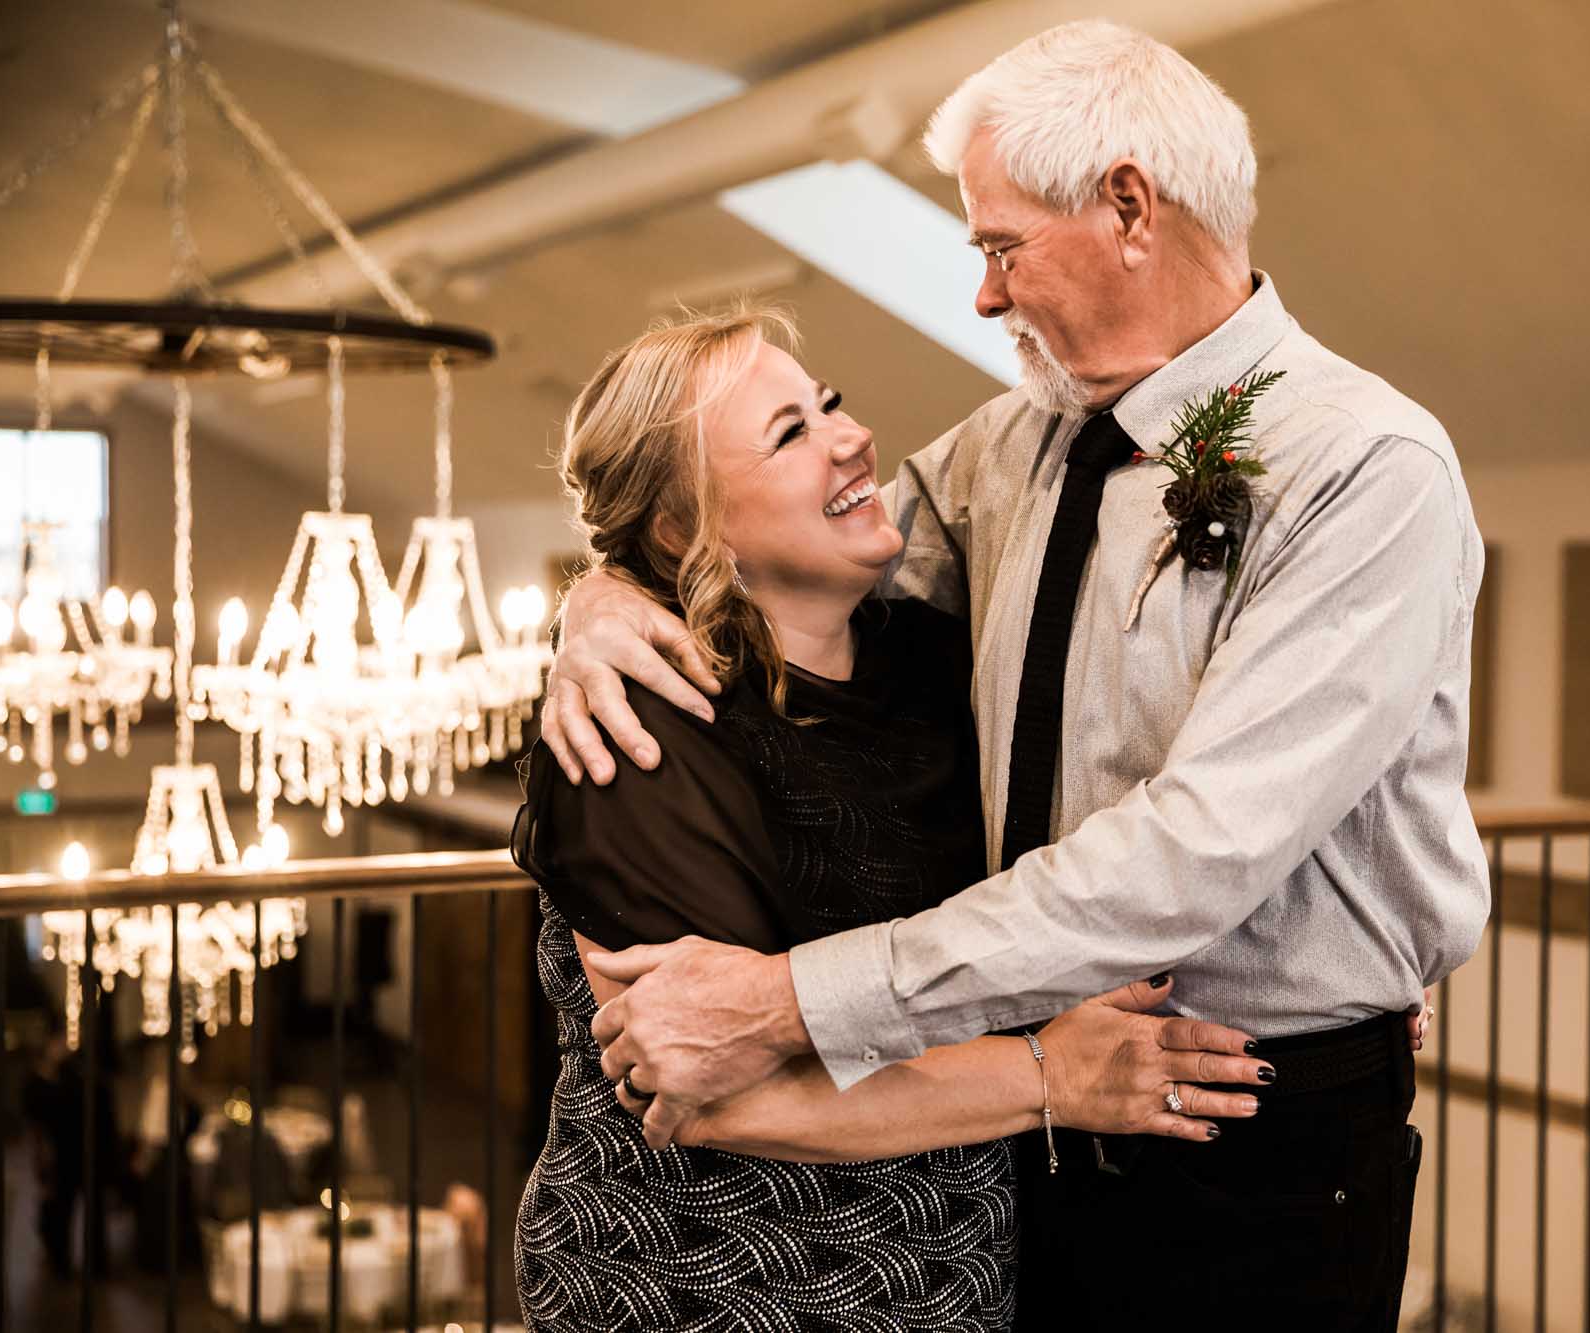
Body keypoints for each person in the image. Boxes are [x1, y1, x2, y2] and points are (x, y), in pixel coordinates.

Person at [545, 20, 1488, 1328]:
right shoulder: (1009, 448)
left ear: (1127, 209)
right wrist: (597, 600)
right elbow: (775, 549)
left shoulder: (1366, 469)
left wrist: (789, 1002)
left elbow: (1196, 854)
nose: (983, 297)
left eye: (998, 247)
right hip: (1020, 1114)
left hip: (1250, 1124)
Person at [510, 306, 1271, 1331]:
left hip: (948, 1272)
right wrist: (1054, 1076)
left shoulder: (928, 653)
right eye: (788, 434)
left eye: (825, 402)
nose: (851, 436)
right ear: (687, 531)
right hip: (704, 1280)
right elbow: (714, 1094)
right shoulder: (637, 726)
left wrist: (1321, 952)